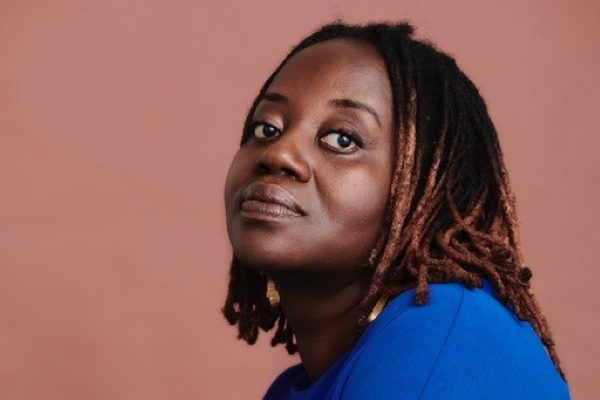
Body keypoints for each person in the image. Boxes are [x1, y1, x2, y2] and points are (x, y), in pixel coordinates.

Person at [222, 20, 571, 399]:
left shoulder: (441, 341)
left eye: (342, 139)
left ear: (424, 187)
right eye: (266, 129)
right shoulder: (292, 389)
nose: (278, 153)